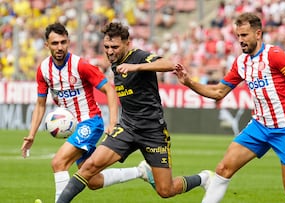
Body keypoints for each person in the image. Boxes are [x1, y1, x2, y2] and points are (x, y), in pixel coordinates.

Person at [174, 12, 285, 203]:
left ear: (258, 34)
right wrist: (190, 83)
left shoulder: (274, 55)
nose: (240, 41)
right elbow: (218, 92)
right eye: (238, 36)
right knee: (223, 169)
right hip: (259, 126)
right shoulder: (241, 62)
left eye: (244, 35)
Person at [56, 22, 212, 203]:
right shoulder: (116, 63)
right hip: (127, 129)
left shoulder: (137, 57)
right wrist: (114, 122)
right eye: (106, 47)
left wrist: (135, 67)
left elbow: (169, 64)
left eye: (115, 47)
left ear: (127, 44)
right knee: (89, 168)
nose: (110, 51)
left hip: (153, 131)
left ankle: (204, 178)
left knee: (165, 190)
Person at [20, 22, 139, 203]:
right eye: (55, 43)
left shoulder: (80, 65)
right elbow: (40, 104)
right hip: (74, 126)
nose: (59, 47)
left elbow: (109, 89)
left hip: (90, 122)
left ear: (68, 42)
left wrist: (113, 122)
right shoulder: (43, 70)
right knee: (92, 180)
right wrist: (31, 135)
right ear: (47, 45)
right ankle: (140, 171)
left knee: (58, 163)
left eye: (63, 42)